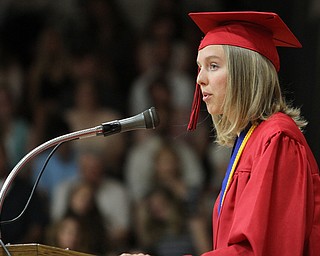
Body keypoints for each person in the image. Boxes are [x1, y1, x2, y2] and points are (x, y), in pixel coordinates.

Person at [120, 11, 320, 256]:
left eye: (213, 66)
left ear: (245, 72)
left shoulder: (277, 140)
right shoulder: (250, 140)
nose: (200, 79)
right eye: (199, 67)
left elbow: (262, 250)